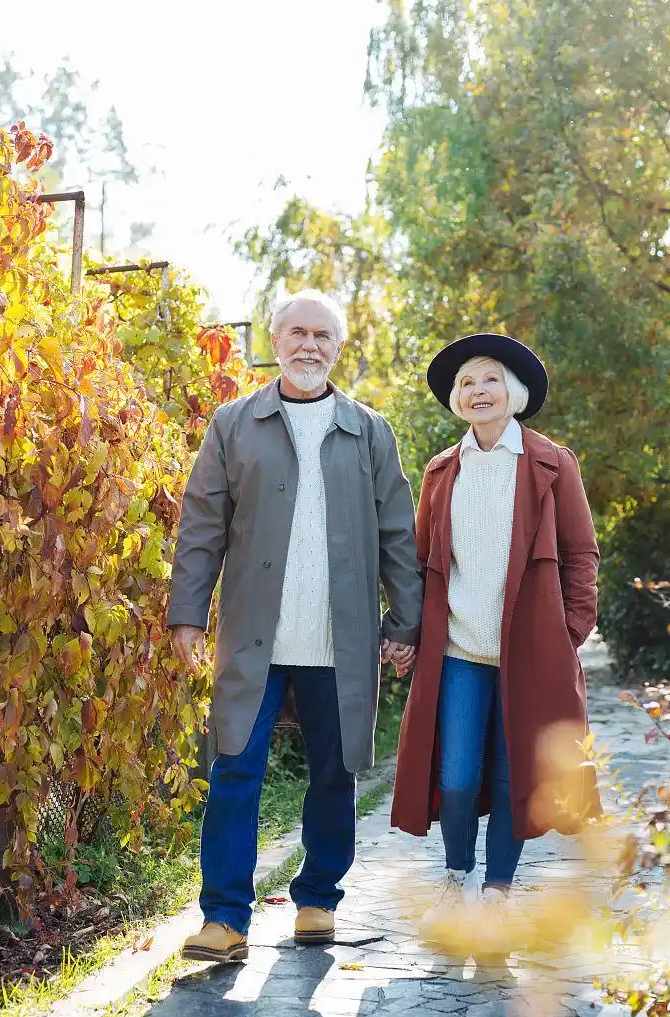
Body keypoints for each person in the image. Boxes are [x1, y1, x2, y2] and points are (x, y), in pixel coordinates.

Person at [168, 289, 424, 962]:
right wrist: (188, 613)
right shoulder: (233, 424)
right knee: (233, 773)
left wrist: (406, 621)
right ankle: (225, 918)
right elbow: (200, 526)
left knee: (335, 776)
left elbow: (400, 532)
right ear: (275, 341)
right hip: (255, 638)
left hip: (340, 641)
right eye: (298, 333)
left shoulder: (369, 430)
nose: (310, 346)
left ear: (339, 348)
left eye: (324, 336)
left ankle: (316, 901)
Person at [391, 333, 601, 917]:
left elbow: (581, 553)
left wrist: (570, 631)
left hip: (530, 652)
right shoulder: (441, 470)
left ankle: (498, 891)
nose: (477, 390)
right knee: (455, 777)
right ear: (457, 400)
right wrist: (404, 627)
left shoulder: (552, 464)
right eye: (466, 382)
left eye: (489, 379)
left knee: (514, 777)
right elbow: (418, 558)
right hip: (459, 649)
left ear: (513, 391)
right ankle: (457, 876)